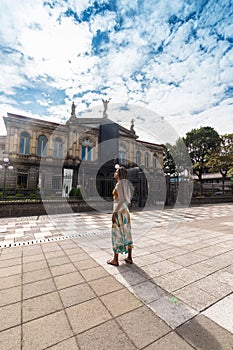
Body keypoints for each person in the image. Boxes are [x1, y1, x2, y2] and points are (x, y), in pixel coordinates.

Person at [107, 166, 133, 266]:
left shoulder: (118, 185)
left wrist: (114, 213)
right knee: (127, 233)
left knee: (116, 233)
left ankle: (115, 259)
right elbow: (126, 200)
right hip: (125, 211)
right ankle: (129, 257)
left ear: (119, 174)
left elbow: (121, 200)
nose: (115, 172)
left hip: (119, 211)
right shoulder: (126, 185)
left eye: (116, 171)